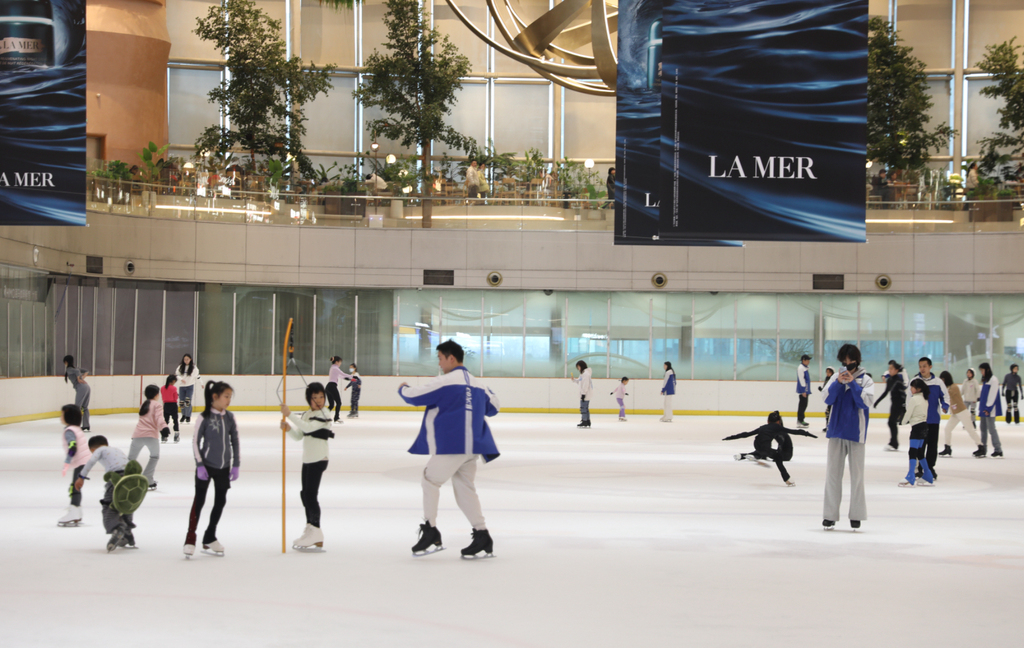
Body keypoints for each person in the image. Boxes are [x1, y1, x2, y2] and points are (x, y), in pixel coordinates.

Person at [399, 340, 500, 559]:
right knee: (464, 487)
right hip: (473, 446)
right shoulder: (479, 384)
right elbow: (495, 407)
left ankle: (430, 530)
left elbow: (413, 396)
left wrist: (402, 387)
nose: (439, 364)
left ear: (451, 358)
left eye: (440, 359)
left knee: (429, 480)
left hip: (453, 445)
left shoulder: (445, 382)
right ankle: (482, 534)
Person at [184, 381, 240, 558]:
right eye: (226, 396)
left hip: (223, 467)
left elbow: (235, 441)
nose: (229, 400)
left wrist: (236, 464)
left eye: (230, 396)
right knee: (199, 502)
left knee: (220, 502)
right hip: (206, 466)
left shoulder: (230, 417)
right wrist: (200, 464)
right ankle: (190, 538)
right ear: (215, 397)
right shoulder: (204, 417)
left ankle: (210, 536)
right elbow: (195, 441)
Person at [821, 344, 874, 531]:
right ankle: (829, 515)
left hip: (856, 433)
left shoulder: (866, 380)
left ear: (856, 361)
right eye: (844, 361)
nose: (847, 364)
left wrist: (852, 383)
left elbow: (866, 403)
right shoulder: (835, 377)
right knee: (833, 475)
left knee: (857, 476)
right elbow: (826, 399)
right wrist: (838, 383)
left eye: (850, 361)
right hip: (836, 431)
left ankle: (857, 515)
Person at [281, 382, 335, 551]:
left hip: (319, 459)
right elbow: (299, 435)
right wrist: (288, 428)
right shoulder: (307, 414)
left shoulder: (324, 414)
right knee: (305, 494)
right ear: (308, 399)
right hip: (308, 459)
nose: (319, 401)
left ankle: (316, 530)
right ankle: (311, 527)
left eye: (321, 397)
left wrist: (289, 414)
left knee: (310, 496)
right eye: (315, 397)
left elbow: (309, 428)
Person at [74, 435, 135, 551]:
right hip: (130, 478)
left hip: (116, 478)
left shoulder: (99, 450)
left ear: (92, 449)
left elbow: (91, 461)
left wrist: (81, 477)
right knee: (126, 504)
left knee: (109, 504)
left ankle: (117, 528)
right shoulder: (116, 449)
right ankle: (127, 534)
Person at [724, 411, 817, 486]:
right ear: (778, 422)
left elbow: (746, 434)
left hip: (756, 444)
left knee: (765, 452)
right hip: (766, 448)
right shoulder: (778, 428)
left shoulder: (762, 427)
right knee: (777, 458)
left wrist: (730, 437)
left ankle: (754, 455)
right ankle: (787, 479)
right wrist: (808, 434)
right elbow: (795, 431)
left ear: (768, 421)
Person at [127, 385, 169, 490]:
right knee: (154, 456)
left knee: (131, 459)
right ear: (156, 394)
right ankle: (148, 478)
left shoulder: (143, 405)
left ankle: (127, 479)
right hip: (151, 436)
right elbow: (159, 418)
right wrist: (164, 428)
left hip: (137, 435)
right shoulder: (157, 405)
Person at [915, 357, 949, 480]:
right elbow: (909, 398)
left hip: (933, 419)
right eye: (920, 366)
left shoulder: (938, 382)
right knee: (920, 446)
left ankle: (930, 468)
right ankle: (920, 469)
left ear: (930, 367)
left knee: (932, 446)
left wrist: (945, 406)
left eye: (924, 366)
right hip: (920, 420)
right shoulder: (916, 381)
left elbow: (945, 396)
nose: (922, 368)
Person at [58, 404, 92, 527]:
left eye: (62, 414)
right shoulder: (77, 428)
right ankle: (77, 510)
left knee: (75, 487)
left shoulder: (70, 431)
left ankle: (74, 510)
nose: (60, 417)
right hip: (84, 462)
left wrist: (67, 462)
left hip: (81, 462)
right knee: (76, 486)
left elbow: (72, 447)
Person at [898, 379, 935, 487]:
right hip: (924, 426)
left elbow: (908, 413)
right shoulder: (925, 399)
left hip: (917, 428)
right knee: (919, 453)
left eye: (912, 387)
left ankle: (910, 476)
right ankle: (928, 474)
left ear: (918, 389)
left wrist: (902, 422)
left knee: (912, 452)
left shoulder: (914, 399)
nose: (910, 389)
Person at [938, 370, 982, 457]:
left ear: (946, 379)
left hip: (962, 412)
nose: (942, 381)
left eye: (942, 379)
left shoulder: (953, 387)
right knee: (947, 429)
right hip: (955, 413)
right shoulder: (948, 388)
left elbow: (946, 395)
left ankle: (981, 447)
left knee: (970, 430)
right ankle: (947, 448)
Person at [874, 360, 908, 451]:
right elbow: (886, 392)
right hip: (894, 404)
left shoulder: (898, 381)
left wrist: (904, 407)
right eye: (889, 368)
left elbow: (903, 395)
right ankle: (894, 442)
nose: (890, 370)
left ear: (896, 370)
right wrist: (877, 401)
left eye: (892, 368)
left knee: (891, 422)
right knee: (891, 423)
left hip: (899, 405)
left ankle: (894, 443)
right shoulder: (890, 380)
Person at [977, 363, 1004, 458]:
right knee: (983, 429)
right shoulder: (986, 380)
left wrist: (988, 408)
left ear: (987, 370)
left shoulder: (994, 380)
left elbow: (992, 395)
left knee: (991, 429)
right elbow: (984, 394)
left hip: (989, 409)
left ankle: (998, 449)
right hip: (984, 409)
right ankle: (983, 449)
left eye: (982, 370)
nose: (981, 372)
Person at [63, 355, 91, 431]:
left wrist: (79, 378)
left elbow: (77, 372)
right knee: (84, 407)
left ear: (66, 362)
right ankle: (86, 425)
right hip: (86, 386)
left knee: (77, 408)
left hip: (81, 387)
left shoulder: (69, 369)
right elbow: (86, 371)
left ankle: (74, 425)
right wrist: (81, 378)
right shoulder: (76, 368)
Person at [176, 353, 201, 424]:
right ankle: (183, 415)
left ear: (190, 359)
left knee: (187, 401)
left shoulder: (194, 368)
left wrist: (201, 383)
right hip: (182, 386)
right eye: (185, 359)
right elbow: (177, 375)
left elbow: (197, 375)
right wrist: (181, 379)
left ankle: (188, 416)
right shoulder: (180, 367)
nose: (186, 361)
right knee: (181, 402)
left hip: (190, 386)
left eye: (187, 359)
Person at [326, 356, 350, 422]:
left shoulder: (333, 368)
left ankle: (322, 416)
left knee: (331, 405)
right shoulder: (335, 368)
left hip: (328, 387)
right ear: (336, 362)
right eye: (340, 362)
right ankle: (336, 418)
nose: (340, 364)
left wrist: (348, 379)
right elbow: (343, 374)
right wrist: (352, 377)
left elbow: (340, 376)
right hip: (332, 386)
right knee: (338, 403)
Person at [571, 360, 593, 428]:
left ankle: (585, 421)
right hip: (585, 393)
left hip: (585, 394)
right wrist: (574, 380)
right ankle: (587, 420)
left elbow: (585, 385)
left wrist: (583, 394)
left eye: (578, 367)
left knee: (583, 408)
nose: (578, 368)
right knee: (585, 408)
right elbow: (580, 382)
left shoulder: (586, 374)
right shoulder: (583, 374)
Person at [161, 374, 180, 442]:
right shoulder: (174, 388)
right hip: (173, 405)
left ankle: (164, 435)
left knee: (166, 420)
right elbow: (175, 397)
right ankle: (176, 434)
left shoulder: (162, 388)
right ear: (173, 381)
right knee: (175, 420)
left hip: (166, 405)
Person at [817, 366, 835, 432]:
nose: (827, 373)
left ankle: (831, 427)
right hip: (829, 399)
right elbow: (826, 389)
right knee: (828, 413)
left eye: (829, 372)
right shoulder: (827, 378)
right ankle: (828, 426)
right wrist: (821, 390)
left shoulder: (833, 379)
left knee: (830, 413)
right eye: (827, 372)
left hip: (833, 399)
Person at [796, 354, 811, 428]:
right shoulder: (801, 368)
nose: (809, 361)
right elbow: (801, 379)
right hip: (804, 390)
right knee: (802, 405)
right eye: (807, 360)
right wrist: (803, 391)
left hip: (806, 389)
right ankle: (800, 420)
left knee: (804, 404)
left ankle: (801, 419)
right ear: (803, 360)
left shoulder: (805, 368)